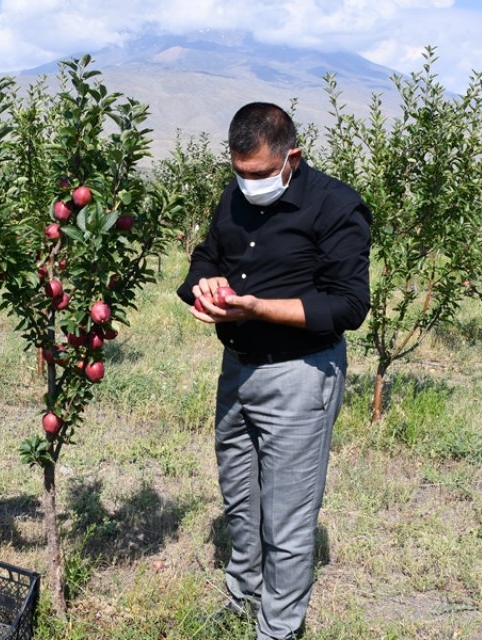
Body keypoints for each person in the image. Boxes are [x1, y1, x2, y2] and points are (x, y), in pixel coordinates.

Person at [178, 102, 371, 640]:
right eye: (240, 172)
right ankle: (244, 598)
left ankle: (278, 629)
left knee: (287, 515)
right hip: (238, 369)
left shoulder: (336, 206)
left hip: (299, 374)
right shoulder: (233, 196)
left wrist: (259, 308)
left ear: (293, 158)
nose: (249, 183)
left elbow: (349, 306)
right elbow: (207, 255)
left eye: (261, 173)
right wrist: (203, 285)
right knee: (240, 499)